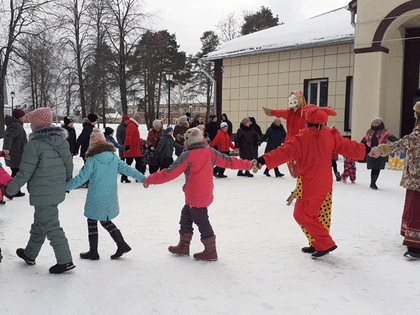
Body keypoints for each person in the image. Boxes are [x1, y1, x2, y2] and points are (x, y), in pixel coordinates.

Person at [254, 105, 366, 258]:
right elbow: (348, 146)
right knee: (320, 215)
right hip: (326, 182)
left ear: (307, 122)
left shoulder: (303, 138)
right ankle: (315, 243)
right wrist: (365, 149)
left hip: (310, 182)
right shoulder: (330, 134)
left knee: (301, 214)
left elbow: (283, 152)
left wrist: (263, 160)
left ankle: (325, 243)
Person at [145, 127, 253, 261]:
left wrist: (149, 179)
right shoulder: (210, 152)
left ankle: (210, 251)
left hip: (195, 195)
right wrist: (249, 165)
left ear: (188, 142)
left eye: (185, 141)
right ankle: (184, 247)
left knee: (202, 221)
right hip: (204, 193)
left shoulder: (187, 155)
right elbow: (230, 161)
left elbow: (168, 174)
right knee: (186, 216)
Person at [6, 107, 75, 274]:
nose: (30, 125)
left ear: (37, 124)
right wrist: (66, 183)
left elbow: (25, 172)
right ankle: (30, 254)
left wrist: (10, 189)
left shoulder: (34, 145)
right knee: (40, 223)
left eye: (32, 122)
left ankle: (65, 261)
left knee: (51, 225)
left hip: (43, 192)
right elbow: (69, 165)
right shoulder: (62, 141)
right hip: (56, 190)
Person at [66, 128, 146, 260]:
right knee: (104, 220)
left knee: (93, 220)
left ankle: (95, 251)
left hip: (96, 196)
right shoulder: (114, 157)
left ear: (92, 145)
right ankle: (121, 245)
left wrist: (66, 186)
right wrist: (142, 178)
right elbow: (127, 169)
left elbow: (82, 178)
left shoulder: (92, 159)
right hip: (110, 195)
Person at [370, 102, 420, 259]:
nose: (413, 116)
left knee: (416, 211)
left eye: (415, 113)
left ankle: (415, 246)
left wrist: (381, 149)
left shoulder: (417, 134)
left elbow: (401, 143)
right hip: (415, 177)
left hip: (417, 179)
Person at [361, 117, 397, 189]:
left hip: (381, 152)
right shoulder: (369, 132)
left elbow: (392, 138)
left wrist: (399, 142)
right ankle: (372, 182)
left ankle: (373, 182)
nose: (374, 124)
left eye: (376, 123)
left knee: (378, 167)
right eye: (373, 123)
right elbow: (364, 140)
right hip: (371, 151)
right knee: (373, 167)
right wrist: (361, 146)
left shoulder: (385, 132)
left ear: (380, 124)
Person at [3, 108, 27, 197]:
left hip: (16, 153)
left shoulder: (17, 125)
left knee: (16, 172)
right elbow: (8, 137)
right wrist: (6, 149)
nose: (25, 118)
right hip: (15, 154)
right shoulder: (16, 125)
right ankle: (12, 190)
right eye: (23, 116)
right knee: (16, 173)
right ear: (19, 117)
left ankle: (14, 190)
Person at [117, 115, 130, 182]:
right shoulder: (120, 127)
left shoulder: (128, 126)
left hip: (127, 145)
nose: (127, 121)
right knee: (122, 158)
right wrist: (121, 144)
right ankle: (120, 169)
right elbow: (118, 136)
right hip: (122, 145)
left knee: (126, 158)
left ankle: (124, 170)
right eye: (126, 120)